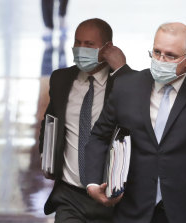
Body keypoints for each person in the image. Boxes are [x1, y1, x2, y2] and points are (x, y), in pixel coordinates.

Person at [85, 22, 186, 223]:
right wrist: (92, 182)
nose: (161, 60)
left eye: (170, 55)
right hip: (135, 209)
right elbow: (99, 135)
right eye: (157, 52)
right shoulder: (127, 86)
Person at [38, 18, 130, 223]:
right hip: (69, 196)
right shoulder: (61, 79)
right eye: (77, 42)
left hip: (111, 196)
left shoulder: (123, 84)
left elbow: (137, 116)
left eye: (89, 44)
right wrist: (46, 158)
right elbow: (49, 122)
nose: (81, 49)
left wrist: (122, 69)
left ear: (107, 48)